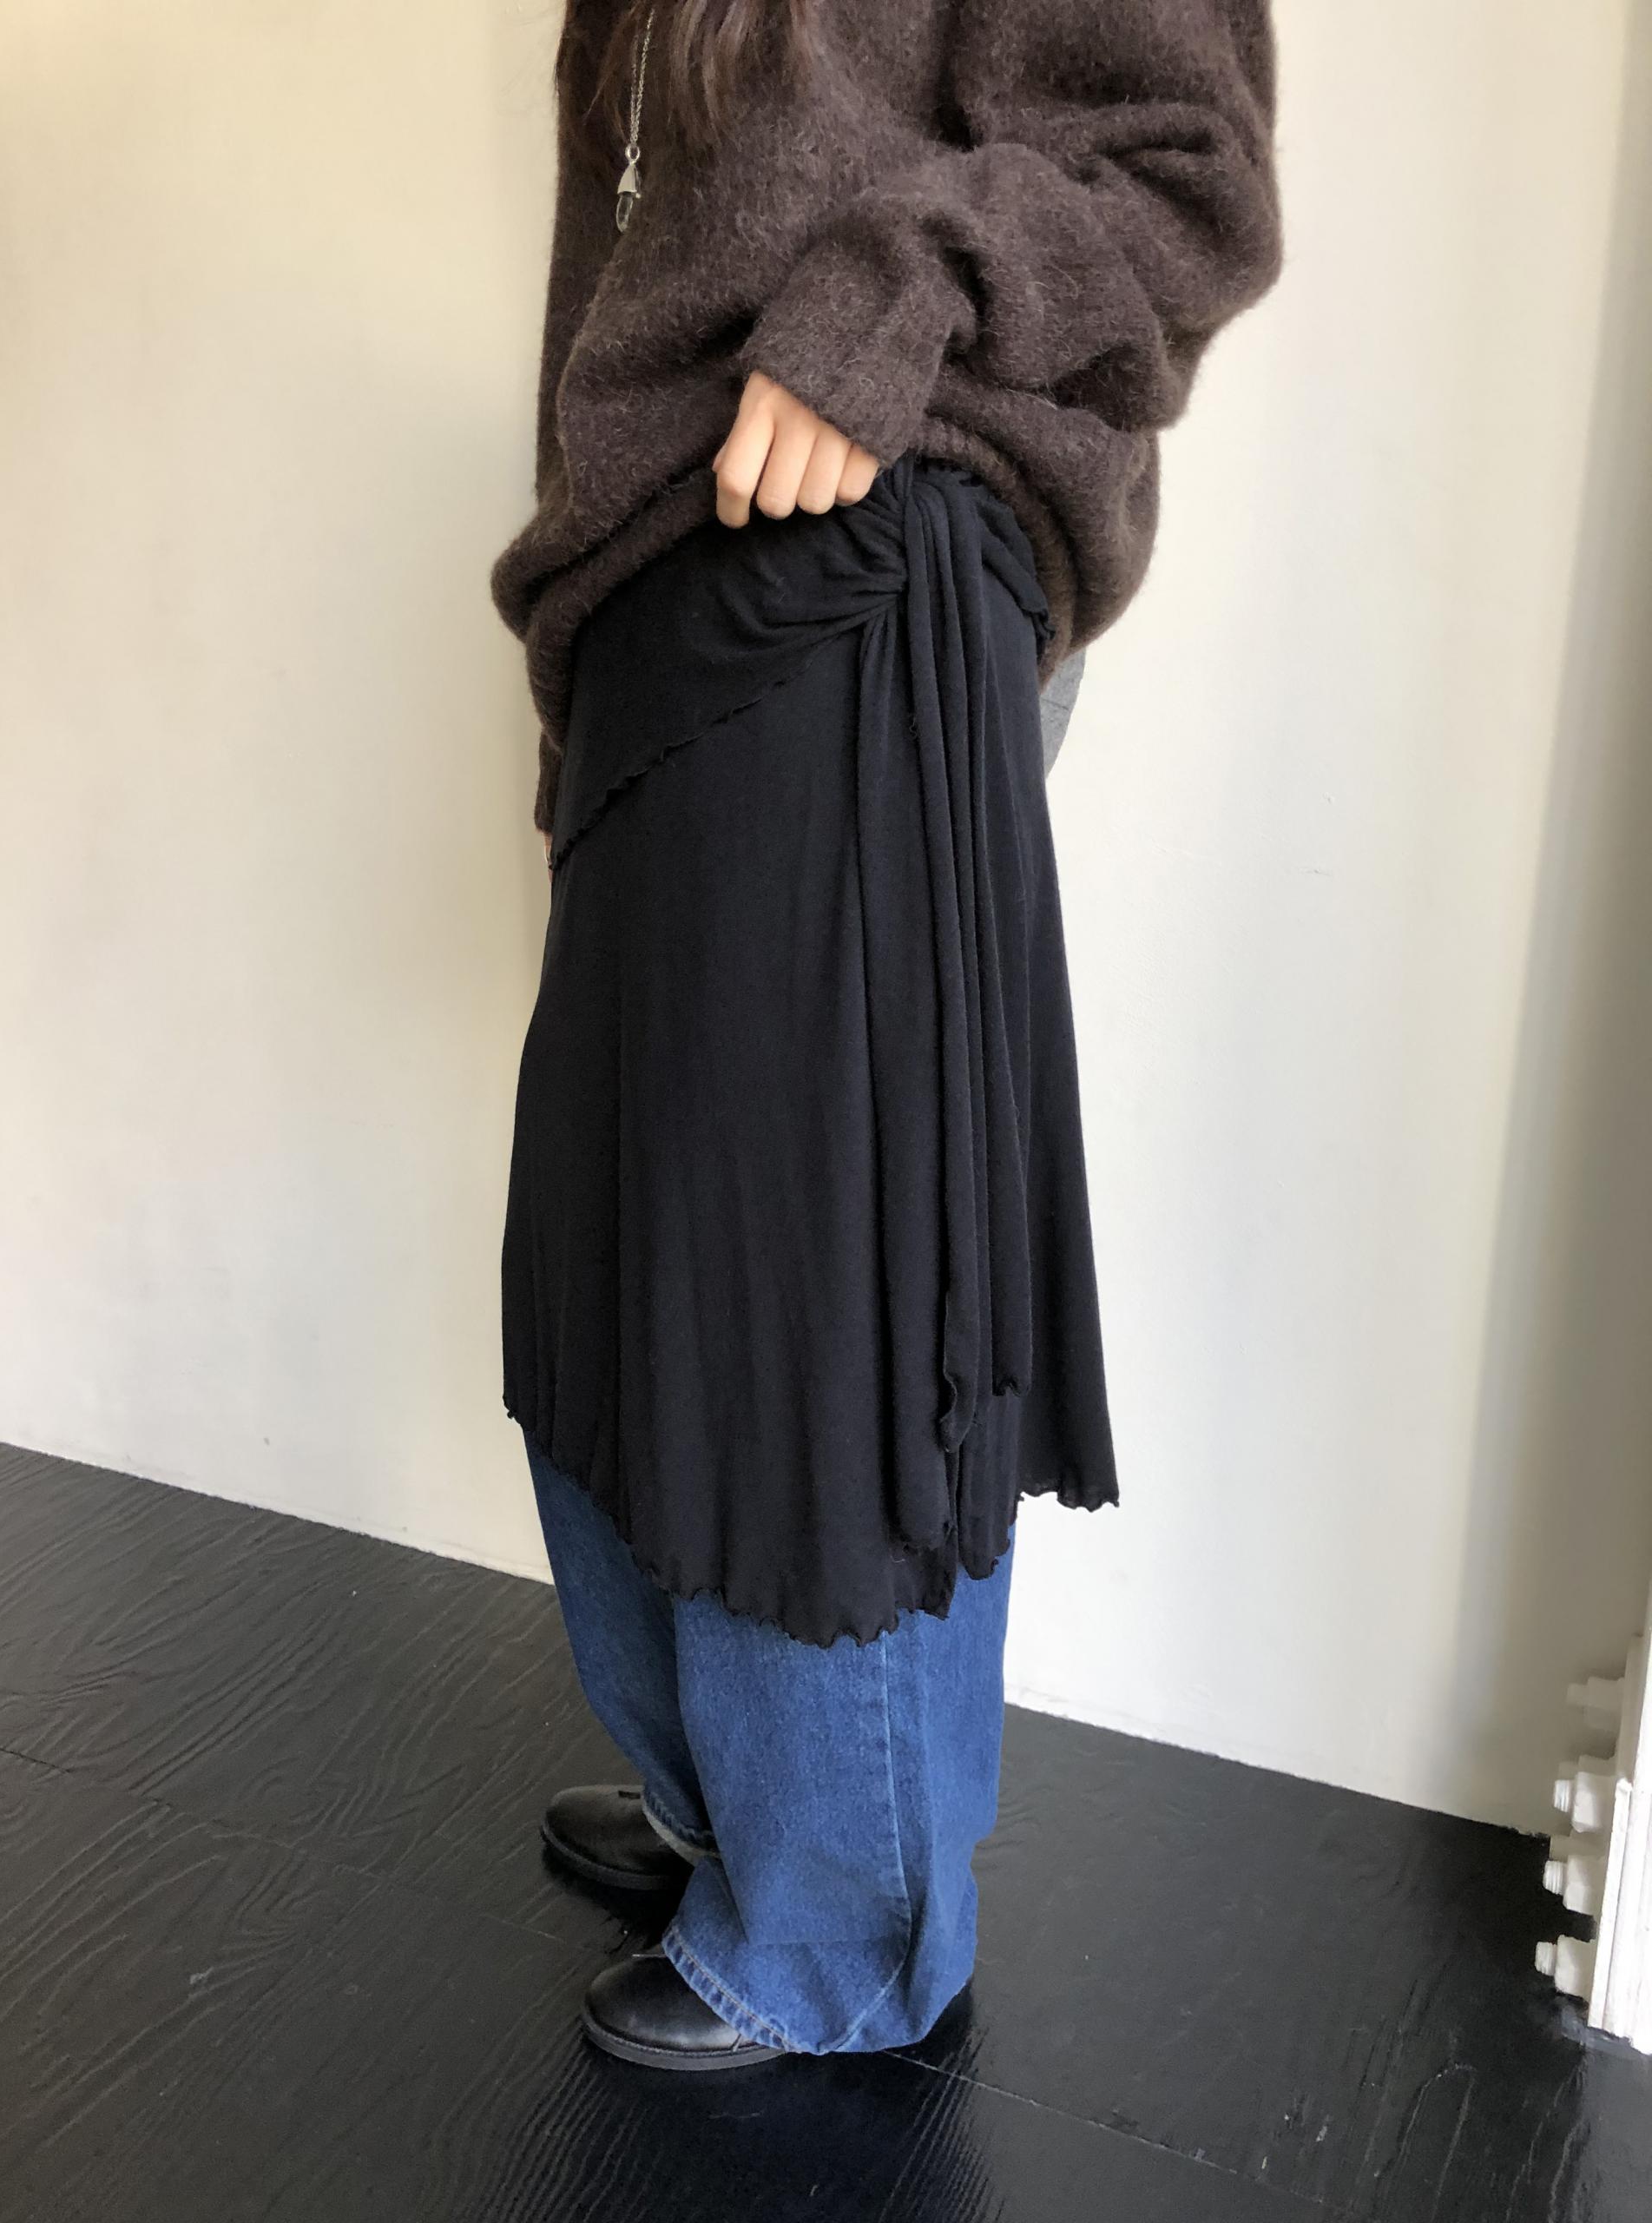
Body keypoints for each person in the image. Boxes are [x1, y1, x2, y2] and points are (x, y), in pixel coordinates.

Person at [490, 0, 1282, 2071]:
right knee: (618, 1274)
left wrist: (888, 291)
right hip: (657, 600)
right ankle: (735, 1803)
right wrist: (578, 667)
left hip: (866, 560)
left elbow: (1186, 179)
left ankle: (840, 1923)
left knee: (813, 1319)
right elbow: (615, 297)